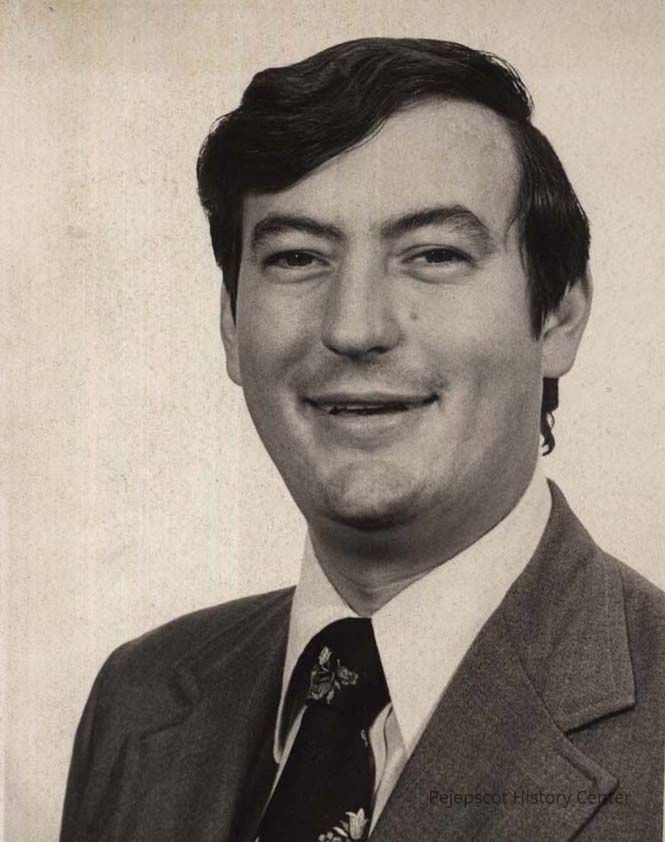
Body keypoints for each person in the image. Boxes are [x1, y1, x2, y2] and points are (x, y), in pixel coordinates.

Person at [59, 38, 665, 842]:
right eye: (297, 257)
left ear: (558, 316)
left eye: (434, 255)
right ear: (231, 323)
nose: (353, 327)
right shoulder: (138, 699)